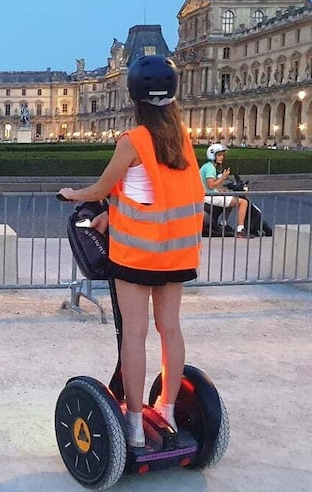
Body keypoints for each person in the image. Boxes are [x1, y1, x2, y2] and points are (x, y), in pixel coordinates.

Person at [58, 55, 204, 448]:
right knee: (170, 329)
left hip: (138, 257)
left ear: (134, 98)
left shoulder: (132, 141)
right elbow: (153, 192)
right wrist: (111, 211)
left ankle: (136, 424)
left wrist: (74, 195)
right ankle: (169, 410)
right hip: (178, 255)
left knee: (135, 336)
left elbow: (98, 189)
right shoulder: (183, 141)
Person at [199, 143, 250, 238]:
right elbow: (210, 185)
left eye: (222, 155)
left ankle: (223, 224)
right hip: (208, 197)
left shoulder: (209, 166)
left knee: (231, 199)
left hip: (209, 195)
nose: (221, 157)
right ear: (212, 155)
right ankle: (240, 230)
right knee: (243, 202)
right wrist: (223, 177)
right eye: (219, 155)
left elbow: (209, 186)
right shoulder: (210, 168)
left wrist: (219, 190)